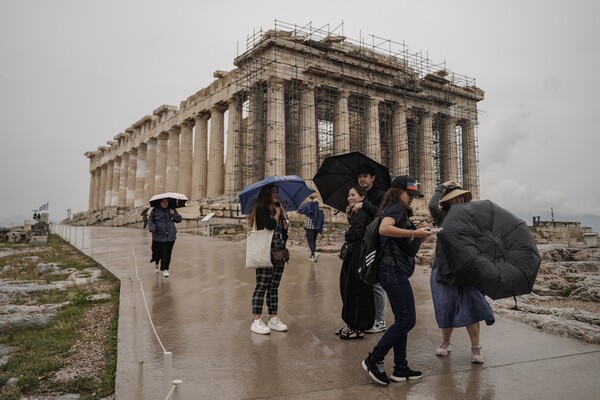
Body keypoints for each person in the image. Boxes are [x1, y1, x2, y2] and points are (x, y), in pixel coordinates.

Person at [362, 176, 434, 385]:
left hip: (394, 270)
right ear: (397, 192)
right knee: (407, 320)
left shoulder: (401, 212)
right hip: (390, 270)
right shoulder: (395, 208)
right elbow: (384, 228)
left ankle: (401, 368)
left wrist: (419, 235)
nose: (411, 198)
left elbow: (408, 249)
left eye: (414, 195)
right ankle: (374, 359)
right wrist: (413, 231)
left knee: (402, 319)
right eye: (409, 194)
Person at [428, 181, 495, 363]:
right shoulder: (442, 217)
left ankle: (476, 347)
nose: (459, 199)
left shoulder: (473, 218)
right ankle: (445, 342)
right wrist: (441, 187)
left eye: (461, 197)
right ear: (447, 201)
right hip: (444, 268)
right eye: (455, 197)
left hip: (468, 269)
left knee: (472, 306)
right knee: (445, 306)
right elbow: (432, 204)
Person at [248, 184, 289, 335]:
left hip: (278, 254)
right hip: (265, 252)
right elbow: (270, 225)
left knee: (274, 287)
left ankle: (273, 318)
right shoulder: (261, 210)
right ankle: (256, 320)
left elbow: (283, 234)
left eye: (277, 191)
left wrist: (284, 220)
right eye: (273, 192)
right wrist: (277, 214)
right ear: (266, 194)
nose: (276, 194)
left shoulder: (278, 210)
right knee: (262, 286)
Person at [335, 185, 375, 340]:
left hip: (359, 253)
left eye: (353, 195)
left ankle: (358, 326)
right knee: (348, 286)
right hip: (354, 253)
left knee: (356, 289)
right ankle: (351, 323)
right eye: (348, 195)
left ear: (362, 197)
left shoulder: (363, 211)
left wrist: (348, 233)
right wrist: (350, 217)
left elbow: (357, 233)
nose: (349, 197)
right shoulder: (357, 212)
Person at [351, 164, 387, 334]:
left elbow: (381, 216)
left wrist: (363, 204)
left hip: (378, 243)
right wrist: (352, 212)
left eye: (365, 176)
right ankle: (370, 318)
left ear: (373, 178)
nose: (362, 179)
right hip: (365, 244)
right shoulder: (360, 196)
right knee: (366, 281)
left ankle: (380, 321)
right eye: (359, 176)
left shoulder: (381, 195)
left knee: (376, 284)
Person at [147, 199, 182, 277]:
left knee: (166, 253)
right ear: (160, 202)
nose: (164, 203)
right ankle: (156, 261)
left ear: (168, 202)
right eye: (162, 202)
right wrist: (152, 227)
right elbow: (150, 220)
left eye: (166, 202)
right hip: (158, 235)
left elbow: (179, 219)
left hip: (170, 236)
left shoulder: (172, 210)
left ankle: (165, 269)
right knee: (156, 253)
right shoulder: (155, 210)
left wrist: (173, 214)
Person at [297, 195, 324, 262]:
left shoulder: (307, 205)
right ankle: (312, 256)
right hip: (316, 227)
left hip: (309, 227)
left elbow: (300, 210)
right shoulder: (317, 207)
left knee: (310, 242)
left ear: (309, 198)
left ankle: (315, 252)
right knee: (313, 241)